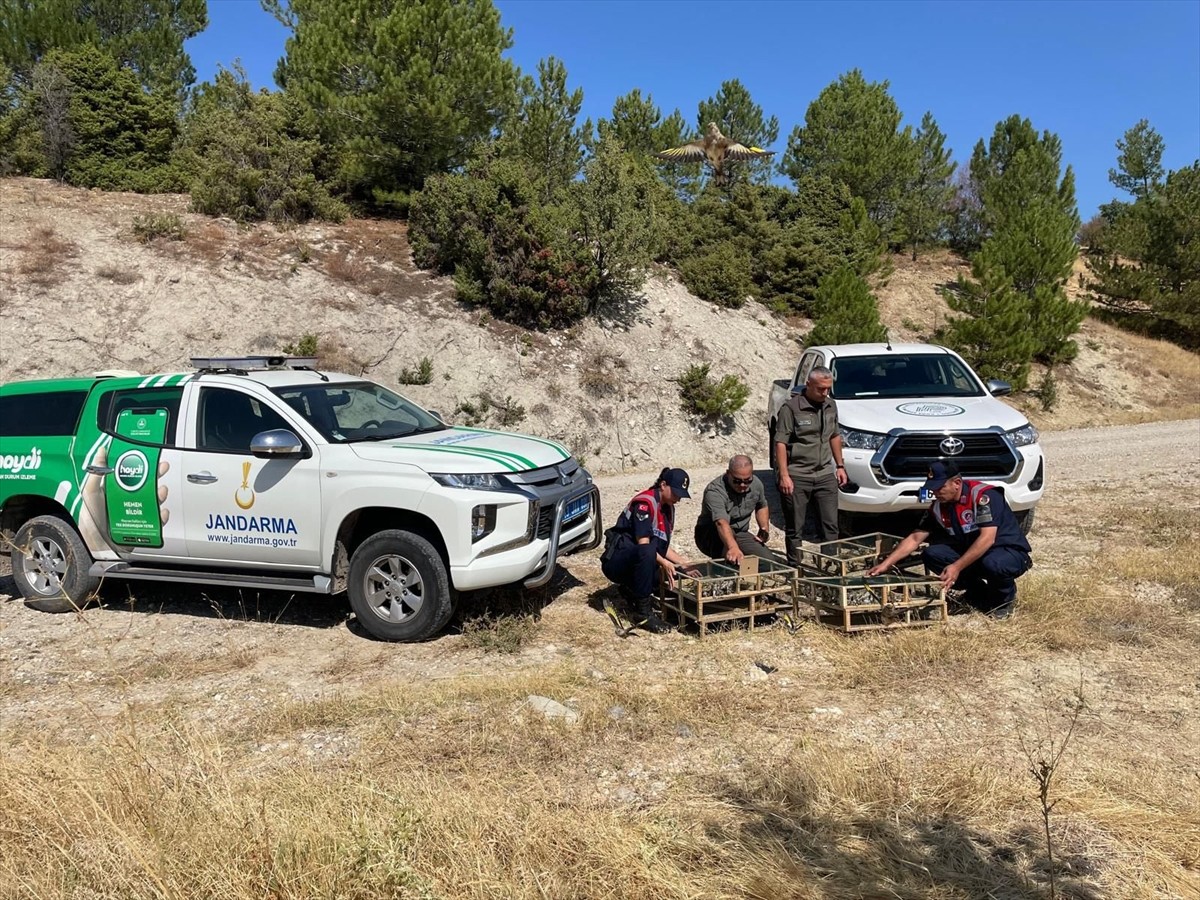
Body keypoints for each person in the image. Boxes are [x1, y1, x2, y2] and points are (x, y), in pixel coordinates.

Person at [867, 461, 1033, 618]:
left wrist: (956, 567)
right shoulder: (939, 506)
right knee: (932, 554)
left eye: (940, 487)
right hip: (975, 554)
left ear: (957, 483)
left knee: (994, 563)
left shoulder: (983, 496)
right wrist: (885, 565)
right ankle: (978, 592)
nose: (936, 492)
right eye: (933, 488)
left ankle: (1003, 601)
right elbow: (915, 538)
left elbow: (987, 539)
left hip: (1007, 552)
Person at [601, 467, 699, 633]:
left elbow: (662, 547)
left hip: (639, 559)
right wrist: (665, 563)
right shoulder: (644, 504)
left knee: (675, 572)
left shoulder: (668, 507)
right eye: (675, 493)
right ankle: (643, 613)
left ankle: (632, 590)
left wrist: (684, 565)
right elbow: (644, 545)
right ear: (663, 485)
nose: (678, 499)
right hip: (617, 561)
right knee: (651, 555)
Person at [773, 366, 848, 564]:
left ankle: (831, 566)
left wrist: (840, 466)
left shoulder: (830, 405)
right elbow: (780, 443)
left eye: (828, 389)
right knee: (795, 527)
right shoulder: (791, 408)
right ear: (808, 385)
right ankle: (795, 567)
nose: (825, 393)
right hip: (798, 475)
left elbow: (834, 435)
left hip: (824, 474)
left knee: (830, 525)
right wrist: (784, 475)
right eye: (820, 389)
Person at [693, 454, 775, 565]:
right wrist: (733, 548)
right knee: (733, 560)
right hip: (711, 533)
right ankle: (723, 572)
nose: (742, 485)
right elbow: (720, 522)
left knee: (767, 561)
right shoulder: (714, 491)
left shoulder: (756, 484)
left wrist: (764, 528)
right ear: (728, 473)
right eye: (737, 481)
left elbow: (761, 505)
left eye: (747, 481)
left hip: (740, 532)